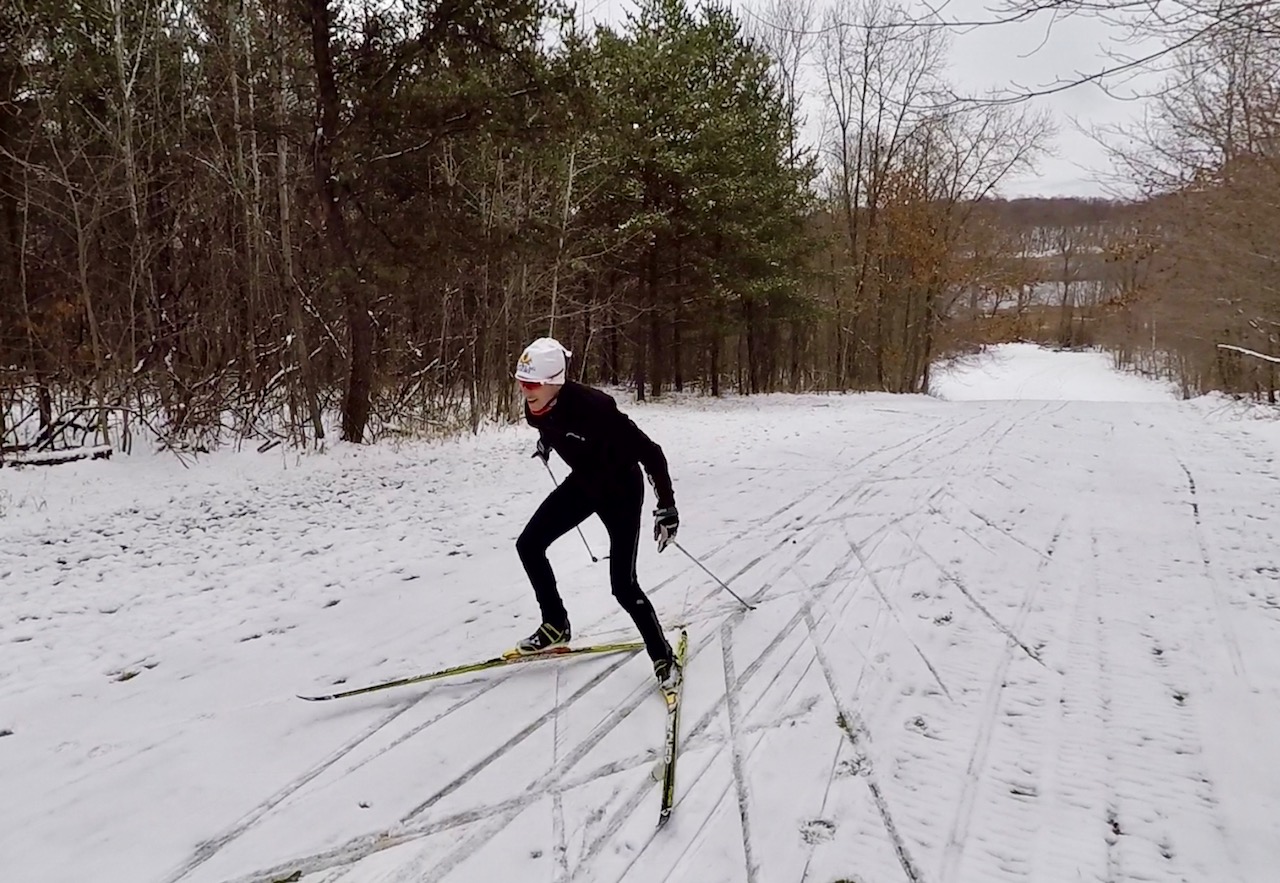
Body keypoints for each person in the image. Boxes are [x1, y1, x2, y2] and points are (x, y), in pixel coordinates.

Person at [511, 336, 682, 691]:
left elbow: (652, 453)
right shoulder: (536, 408)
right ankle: (556, 624)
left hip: (621, 491)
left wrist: (667, 507)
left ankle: (663, 657)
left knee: (622, 585)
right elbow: (554, 426)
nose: (526, 391)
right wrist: (548, 441)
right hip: (585, 485)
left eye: (532, 384)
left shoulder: (596, 408)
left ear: (555, 381)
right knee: (529, 545)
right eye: (521, 383)